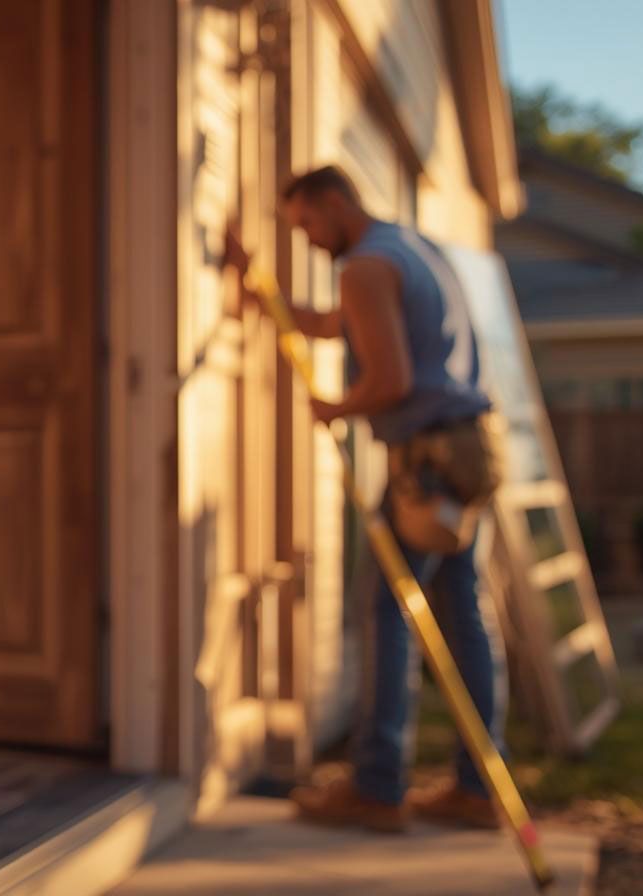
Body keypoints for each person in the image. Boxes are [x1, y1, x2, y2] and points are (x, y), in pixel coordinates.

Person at [223, 165, 508, 834]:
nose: (309, 238)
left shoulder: (365, 267)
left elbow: (389, 379)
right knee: (463, 617)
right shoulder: (413, 249)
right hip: (467, 453)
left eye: (306, 224)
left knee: (386, 611)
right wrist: (255, 281)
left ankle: (378, 790)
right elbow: (331, 325)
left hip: (426, 466)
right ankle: (479, 787)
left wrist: (335, 406)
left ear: (332, 202)